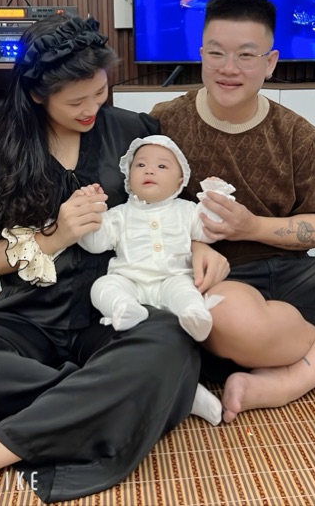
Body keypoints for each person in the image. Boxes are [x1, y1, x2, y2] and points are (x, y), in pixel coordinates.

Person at [0, 14, 229, 502]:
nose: (92, 109)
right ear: (37, 94)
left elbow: (169, 202)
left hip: (115, 313)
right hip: (27, 317)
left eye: (101, 93)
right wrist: (54, 236)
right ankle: (134, 395)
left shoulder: (132, 132)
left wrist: (196, 243)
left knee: (169, 338)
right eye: (75, 101)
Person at [150, 0, 315, 422]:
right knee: (225, 319)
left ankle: (292, 379)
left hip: (292, 271)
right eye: (216, 53)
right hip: (221, 279)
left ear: (270, 62)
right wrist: (193, 245)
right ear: (201, 54)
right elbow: (139, 206)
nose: (229, 68)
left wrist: (252, 227)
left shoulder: (297, 133)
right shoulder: (165, 122)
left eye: (247, 55)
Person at [78, 136, 236, 426]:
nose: (149, 170)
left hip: (172, 279)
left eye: (162, 166)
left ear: (179, 182)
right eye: (140, 165)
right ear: (128, 179)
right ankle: (123, 308)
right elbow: (94, 243)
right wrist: (92, 210)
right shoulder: (119, 215)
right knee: (103, 287)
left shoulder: (187, 211)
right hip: (130, 282)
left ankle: (194, 315)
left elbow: (210, 230)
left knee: (185, 291)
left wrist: (215, 196)